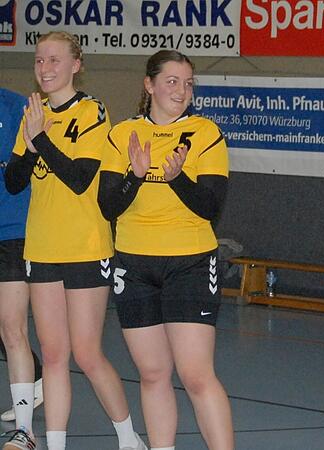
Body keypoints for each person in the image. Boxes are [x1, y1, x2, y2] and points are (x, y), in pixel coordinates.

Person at [3, 32, 145, 450]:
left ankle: (128, 437)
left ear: (76, 65)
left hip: (85, 246)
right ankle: (55, 444)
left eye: (54, 60)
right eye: (39, 60)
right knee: (53, 355)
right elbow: (13, 182)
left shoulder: (92, 111)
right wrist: (31, 145)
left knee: (86, 353)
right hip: (41, 247)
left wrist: (40, 139)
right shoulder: (34, 114)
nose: (45, 68)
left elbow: (81, 178)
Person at [98, 49, 234, 450]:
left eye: (188, 83)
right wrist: (135, 176)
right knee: (153, 373)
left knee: (196, 375)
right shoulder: (123, 135)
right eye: (172, 81)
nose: (181, 91)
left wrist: (177, 179)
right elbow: (108, 206)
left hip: (189, 264)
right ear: (149, 85)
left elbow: (210, 207)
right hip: (134, 265)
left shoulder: (206, 133)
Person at [0, 87, 46, 449]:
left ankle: (25, 431)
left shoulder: (17, 108)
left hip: (12, 232)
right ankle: (37, 375)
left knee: (12, 327)